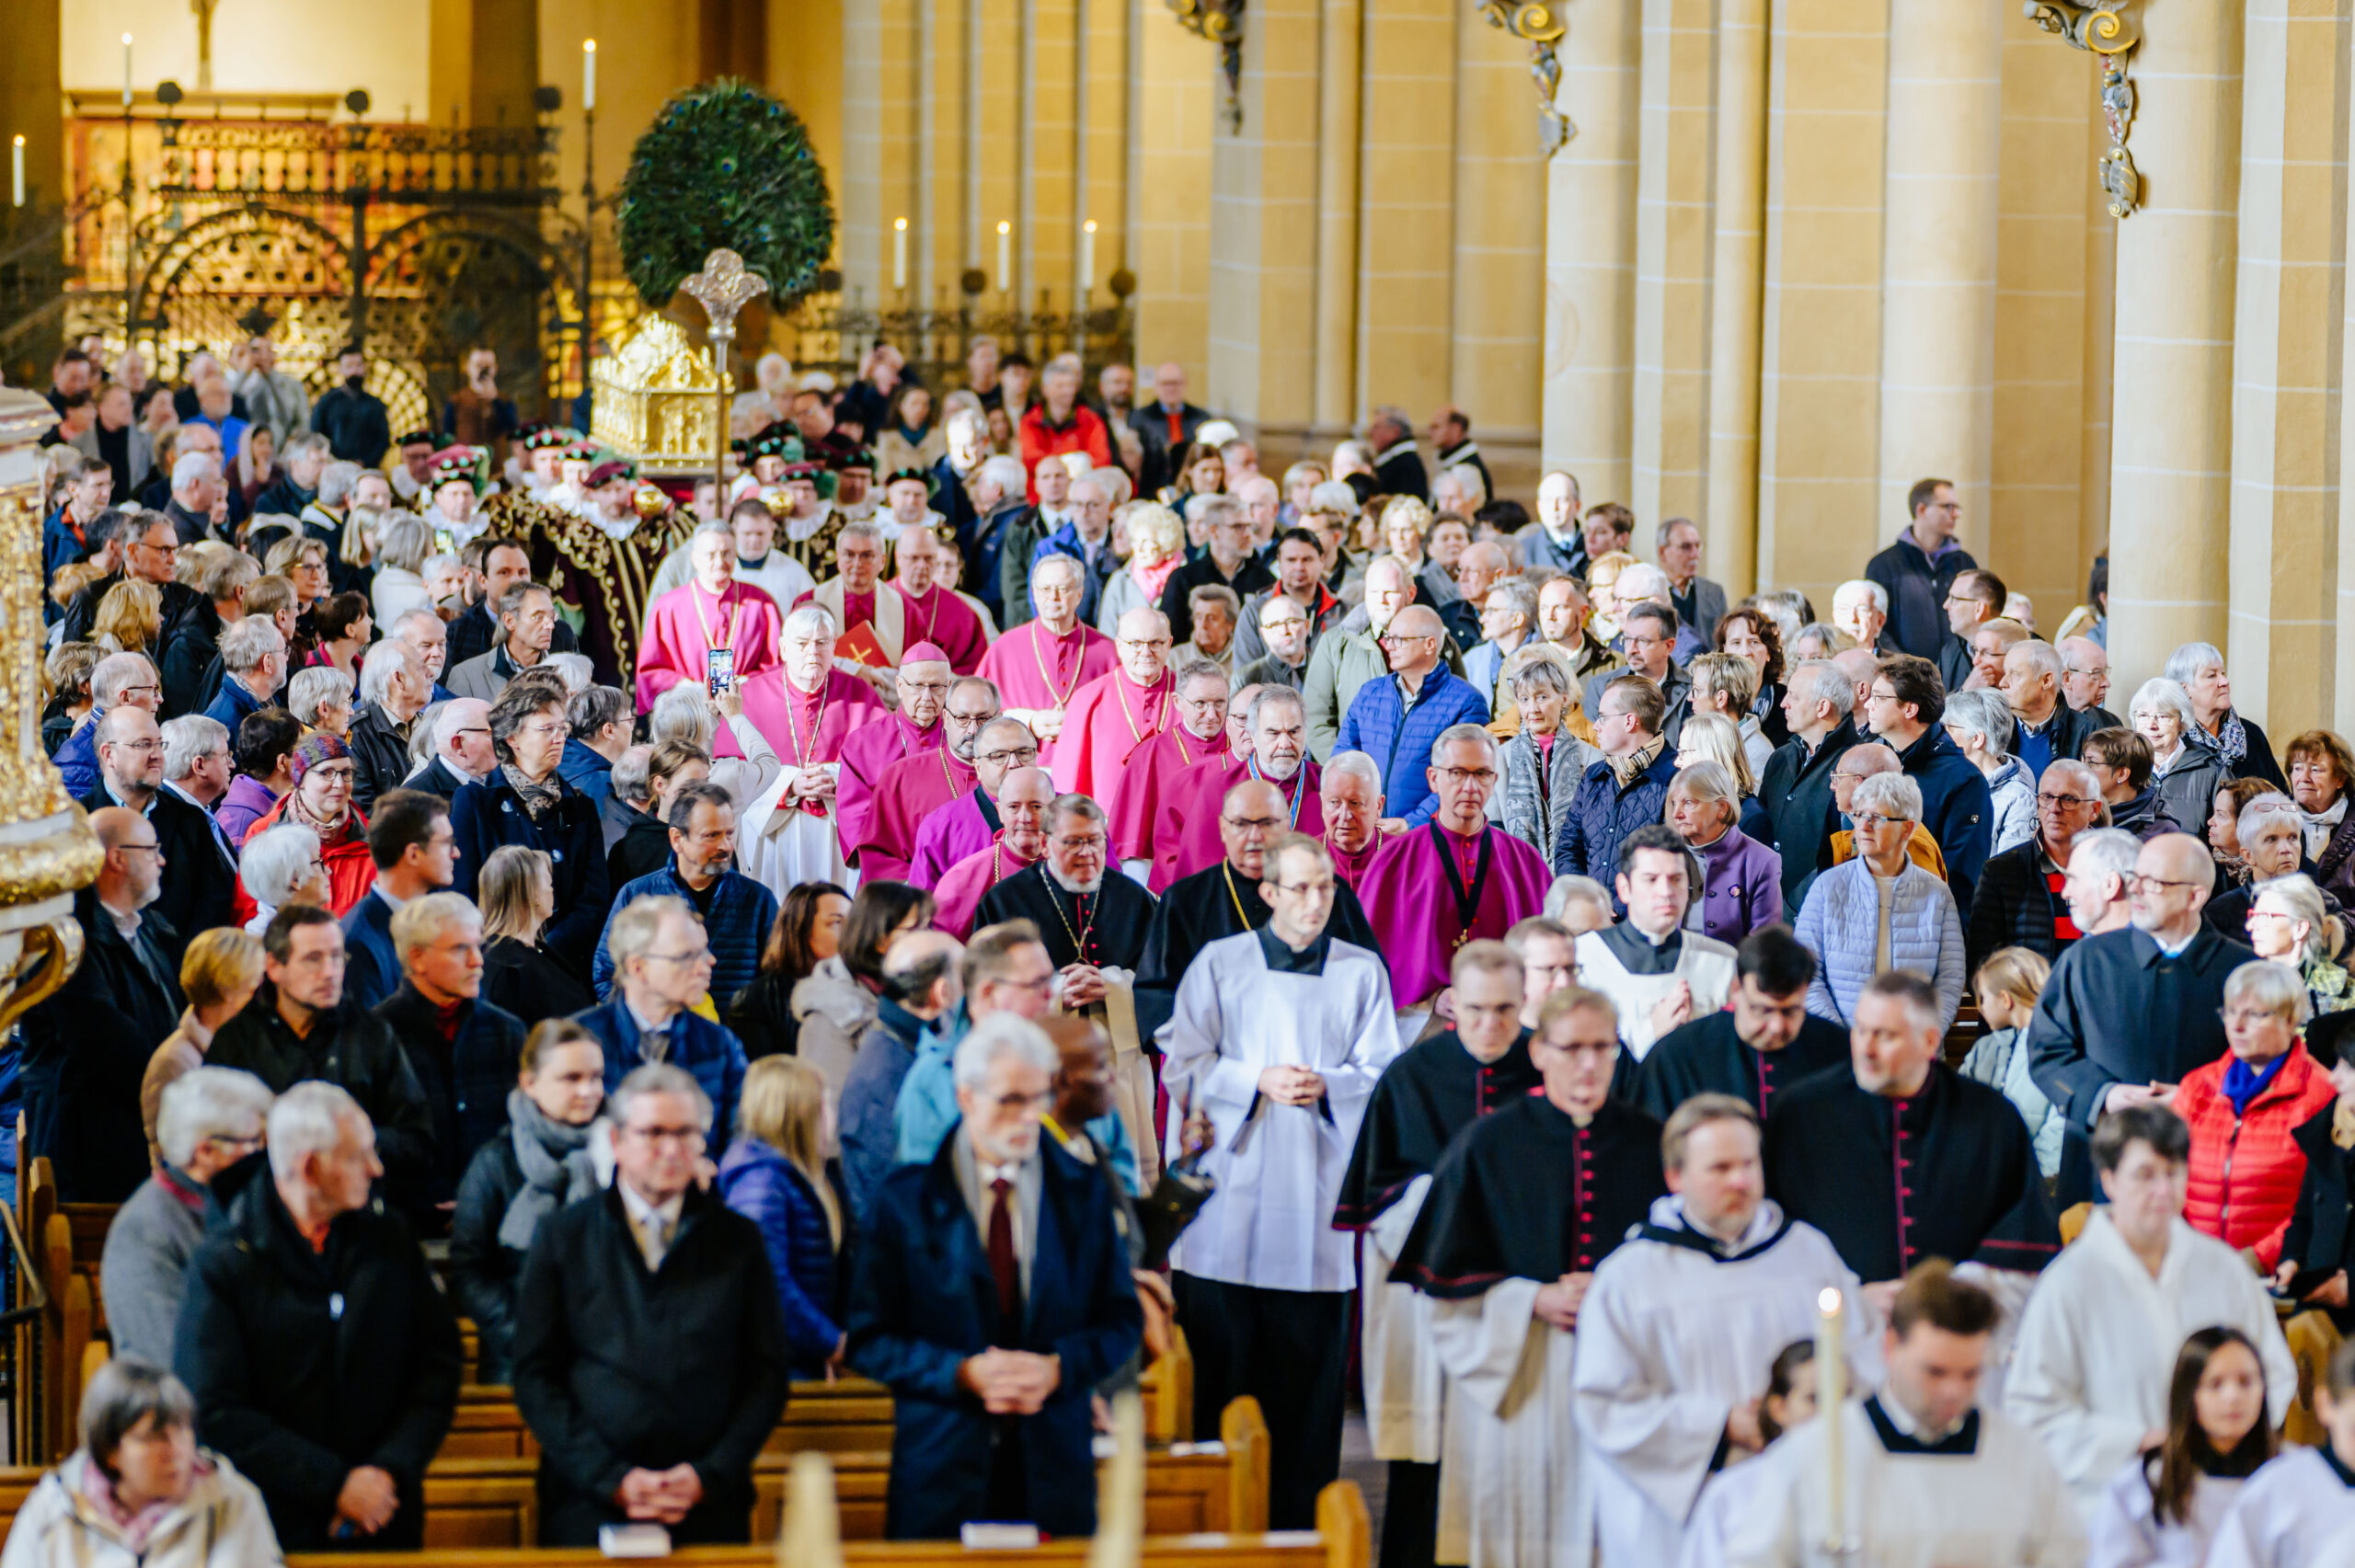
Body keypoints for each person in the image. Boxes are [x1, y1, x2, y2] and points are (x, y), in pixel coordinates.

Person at [1163, 831, 1396, 1528]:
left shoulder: (1361, 971)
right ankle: (1214, 1523)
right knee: (1223, 1381)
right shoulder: (1221, 962)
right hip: (1229, 1197)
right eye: (1300, 886)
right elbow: (1183, 1060)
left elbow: (1382, 1075)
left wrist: (1330, 1086)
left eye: (1326, 885)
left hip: (1316, 1199)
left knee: (1305, 1393)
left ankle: (1300, 1528)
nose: (1317, 899)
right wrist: (1252, 1079)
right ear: (1267, 893)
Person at [1390, 985, 1668, 1568]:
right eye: (1572, 1048)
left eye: (1603, 1047)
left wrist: (1621, 1295)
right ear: (1540, 1052)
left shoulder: (1651, 1143)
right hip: (1522, 1371)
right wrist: (1532, 1299)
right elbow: (1442, 1287)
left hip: (1627, 1371)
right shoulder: (1487, 1145)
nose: (1589, 1064)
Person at [846, 1013, 1142, 1539]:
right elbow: (869, 1340)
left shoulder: (1083, 1191)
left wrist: (1059, 1369)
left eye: (1040, 1097)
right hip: (941, 1463)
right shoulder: (906, 1201)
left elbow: (1120, 1321)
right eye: (1010, 1100)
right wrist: (961, 1373)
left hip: (1052, 1465)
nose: (1030, 1118)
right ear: (966, 1098)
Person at [1575, 1095, 1875, 1566]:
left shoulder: (1808, 1254)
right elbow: (1604, 1404)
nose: (1740, 1181)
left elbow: (1862, 1357)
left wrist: (1815, 1411)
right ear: (1676, 1178)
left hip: (1800, 1493)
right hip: (1679, 1515)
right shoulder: (1630, 1277)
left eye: (1749, 1164)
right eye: (1719, 1168)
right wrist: (1722, 1425)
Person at [173, 1082, 460, 1551]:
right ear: (310, 1166)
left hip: (385, 1516)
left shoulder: (390, 1241)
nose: (377, 1168)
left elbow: (436, 1366)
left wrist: (387, 1471)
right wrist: (334, 1486)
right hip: (272, 1525)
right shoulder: (227, 1261)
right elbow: (214, 1407)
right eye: (358, 1156)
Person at [511, 1063, 789, 1545]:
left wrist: (709, 1473)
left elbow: (765, 1373)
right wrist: (610, 1477)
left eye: (686, 1133)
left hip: (708, 1505)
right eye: (653, 1132)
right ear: (618, 1141)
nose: (670, 1149)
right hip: (589, 1501)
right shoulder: (564, 1236)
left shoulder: (738, 1240)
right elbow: (535, 1373)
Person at [1333, 942, 1542, 1568]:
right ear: (1453, 1005)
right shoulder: (1411, 1076)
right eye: (1475, 1010)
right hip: (1428, 1301)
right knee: (1427, 1459)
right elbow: (1373, 1194)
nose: (1489, 1026)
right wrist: (1452, 1205)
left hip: (1520, 1299)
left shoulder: (1545, 1067)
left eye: (1505, 1010)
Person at [2005, 1102, 2295, 1524]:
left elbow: (2276, 1373)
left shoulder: (2223, 1269)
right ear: (2109, 1180)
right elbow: (2033, 1414)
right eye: (2145, 1175)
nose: (2163, 1191)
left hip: (2217, 1501)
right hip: (2109, 1509)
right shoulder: (2068, 1283)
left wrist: (2226, 1434)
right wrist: (2141, 1442)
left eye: (2174, 1173)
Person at [1723, 1261, 2084, 1567]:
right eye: (1935, 1372)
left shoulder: (2021, 1456)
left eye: (1970, 1373)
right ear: (1891, 1346)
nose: (1953, 1391)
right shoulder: (1813, 1453)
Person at [1766, 969, 2052, 1286]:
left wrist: (1954, 1296)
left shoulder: (1992, 1118)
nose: (1866, 1050)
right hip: (1839, 1319)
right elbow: (1775, 1229)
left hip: (1959, 1319)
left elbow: (2023, 1230)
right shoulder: (1801, 1113)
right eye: (1860, 1030)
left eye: (1885, 1035)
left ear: (1929, 1041)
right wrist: (1849, 1296)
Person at [2028, 832, 2257, 1203]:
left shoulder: (2242, 970)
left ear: (2195, 896)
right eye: (2137, 880)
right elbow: (2047, 1051)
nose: (2136, 892)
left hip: (2204, 1168)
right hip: (2100, 1162)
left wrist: (2195, 1097)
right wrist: (2105, 1094)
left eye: (2154, 884)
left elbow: (2266, 1068)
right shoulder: (2087, 961)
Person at [19, 807, 188, 1201]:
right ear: (117, 858)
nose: (162, 860)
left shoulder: (148, 929)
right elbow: (108, 1045)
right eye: (152, 850)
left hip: (139, 1130)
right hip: (90, 1148)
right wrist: (180, 1085)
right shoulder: (64, 943)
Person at [2, 1356, 281, 1568]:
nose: (176, 1451)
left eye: (183, 1432)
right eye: (155, 1438)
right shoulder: (54, 1507)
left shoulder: (230, 1501)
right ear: (110, 1451)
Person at [448, 1019, 604, 1387]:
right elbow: (470, 1269)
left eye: (596, 1077)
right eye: (571, 1078)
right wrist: (527, 1334)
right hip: (519, 1363)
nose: (588, 1090)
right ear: (530, 1083)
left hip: (609, 1363)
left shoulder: (623, 1153)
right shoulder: (496, 1162)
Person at [101, 1068, 274, 1371]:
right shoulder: (144, 1229)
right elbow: (166, 1358)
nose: (268, 1156)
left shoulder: (246, 1205)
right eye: (255, 1143)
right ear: (206, 1151)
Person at [2168, 958, 2338, 1269]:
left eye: (2254, 1015)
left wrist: (2253, 1261)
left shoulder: (2321, 1095)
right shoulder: (2197, 1086)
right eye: (2230, 1012)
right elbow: (2166, 1173)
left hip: (2273, 1275)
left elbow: (2323, 1204)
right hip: (2188, 1265)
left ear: (2290, 1019)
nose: (2237, 1025)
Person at [373, 890, 523, 1213]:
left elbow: (519, 1132)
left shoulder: (506, 1031)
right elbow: (368, 1138)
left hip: (491, 1217)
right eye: (460, 949)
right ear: (417, 958)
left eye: (478, 946)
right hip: (404, 1220)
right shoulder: (376, 1035)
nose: (477, 961)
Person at [2085, 1327, 2280, 1568]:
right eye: (2215, 1384)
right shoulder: (2147, 1480)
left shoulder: (2289, 1473)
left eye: (2246, 1382)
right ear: (2189, 1394)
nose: (2233, 1396)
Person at [450, 680, 611, 972]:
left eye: (562, 728)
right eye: (546, 729)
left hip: (564, 965)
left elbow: (593, 899)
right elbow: (462, 893)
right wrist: (514, 952)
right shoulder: (475, 803)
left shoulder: (579, 807)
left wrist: (546, 952)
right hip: (495, 966)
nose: (559, 738)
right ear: (513, 738)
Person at [1791, 772, 1966, 1027]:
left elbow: (1949, 980)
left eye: (1876, 818)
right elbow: (1805, 974)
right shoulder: (1827, 887)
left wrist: (1922, 1040)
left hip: (1914, 1050)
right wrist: (1842, 1041)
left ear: (1907, 828)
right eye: (1859, 815)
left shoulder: (1936, 894)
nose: (1862, 826)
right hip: (1840, 1051)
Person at [575, 895, 752, 1140]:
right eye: (689, 956)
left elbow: (744, 1141)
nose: (709, 963)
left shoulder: (721, 1045)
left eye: (705, 952)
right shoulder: (579, 1042)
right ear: (639, 968)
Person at [1636, 924, 1852, 1122]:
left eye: (1790, 1011)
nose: (1776, 1025)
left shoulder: (1837, 1049)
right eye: (1763, 1010)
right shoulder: (1676, 1057)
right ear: (1736, 989)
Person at [718, 1056, 845, 1379]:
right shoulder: (761, 1185)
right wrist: (832, 1342)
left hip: (799, 1361)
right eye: (824, 1105)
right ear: (797, 1113)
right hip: (778, 1371)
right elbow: (770, 1284)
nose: (833, 1116)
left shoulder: (798, 1178)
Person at [1571, 823, 1739, 1059]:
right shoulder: (1583, 958)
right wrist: (1650, 1032)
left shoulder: (1720, 961)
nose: (1666, 891)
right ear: (1624, 888)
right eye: (1651, 879)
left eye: (1676, 879)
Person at [82, 704, 238, 943]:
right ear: (108, 754)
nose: (157, 755)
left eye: (159, 744)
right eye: (144, 744)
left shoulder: (191, 820)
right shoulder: (79, 824)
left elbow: (212, 904)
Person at [1862, 654, 1993, 920]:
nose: (1867, 704)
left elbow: (1957, 876)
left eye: (1878, 697)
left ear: (1909, 709)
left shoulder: (1963, 781)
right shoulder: (1868, 763)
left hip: (1924, 926)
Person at [1965, 757, 2109, 974]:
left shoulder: (2115, 869)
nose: (2054, 808)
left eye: (2069, 799)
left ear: (2094, 810)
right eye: (2047, 797)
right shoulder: (2002, 872)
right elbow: (1983, 961)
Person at [860, 676, 1004, 882]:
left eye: (983, 719)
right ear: (945, 719)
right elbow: (880, 857)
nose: (973, 730)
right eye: (962, 718)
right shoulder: (902, 776)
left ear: (999, 718)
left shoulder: (1017, 776)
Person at [976, 555, 1116, 762]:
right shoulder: (1005, 648)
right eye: (1045, 589)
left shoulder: (1107, 651)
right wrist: (1029, 721)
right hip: (1021, 768)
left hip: (1086, 767)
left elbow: (1118, 718)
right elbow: (978, 716)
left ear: (1079, 594)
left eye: (1062, 589)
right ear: (1034, 594)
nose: (1053, 597)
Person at [1556, 673, 1681, 906]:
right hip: (1589, 915)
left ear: (1630, 721)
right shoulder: (1594, 777)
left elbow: (1672, 862)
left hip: (1643, 919)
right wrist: (1587, 902)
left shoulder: (1675, 779)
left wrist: (1623, 908)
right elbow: (1568, 848)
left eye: (1603, 717)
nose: (1595, 726)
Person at [1105, 660, 1234, 872]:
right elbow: (1133, 850)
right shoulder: (1148, 755)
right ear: (1177, 702)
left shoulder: (1242, 748)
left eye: (1219, 703)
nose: (1212, 715)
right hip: (1172, 880)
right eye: (1200, 704)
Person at [335, 789, 456, 1013]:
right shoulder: (358, 942)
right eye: (447, 843)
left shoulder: (444, 918)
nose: (456, 853)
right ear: (413, 854)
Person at [1757, 658, 1866, 906]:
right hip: (1770, 903)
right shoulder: (1780, 758)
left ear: (1822, 707)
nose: (1784, 703)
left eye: (1793, 696)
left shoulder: (1858, 763)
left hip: (1825, 906)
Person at [1959, 947, 2064, 1180]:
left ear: (2005, 1000)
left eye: (1983, 998)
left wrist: (2035, 1177)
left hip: (2036, 1182)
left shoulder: (2057, 1048)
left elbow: (2058, 1127)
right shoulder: (1986, 1048)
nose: (1980, 1007)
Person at [1050, 606, 1177, 799]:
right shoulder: (1088, 700)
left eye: (1155, 643)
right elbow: (1067, 783)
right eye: (1135, 643)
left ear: (1169, 644)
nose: (1146, 652)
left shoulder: (1188, 696)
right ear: (1119, 645)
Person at [474, 845, 595, 1026]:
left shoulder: (537, 949)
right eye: (549, 883)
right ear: (533, 893)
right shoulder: (505, 968)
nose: (552, 890)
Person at [726, 883, 849, 1060]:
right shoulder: (757, 1000)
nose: (850, 932)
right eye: (836, 922)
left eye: (852, 922)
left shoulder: (862, 991)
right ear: (801, 929)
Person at [1669, 761, 1783, 945]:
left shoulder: (1761, 861)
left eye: (1688, 803)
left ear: (1722, 807)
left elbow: (1763, 946)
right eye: (1674, 803)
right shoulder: (1664, 855)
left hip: (1731, 972)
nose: (1677, 814)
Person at [2166, 642, 2288, 792]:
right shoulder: (2171, 743)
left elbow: (2280, 796)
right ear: (2185, 689)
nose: (2225, 681)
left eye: (2222, 674)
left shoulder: (2251, 734)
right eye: (2212, 676)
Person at [2131, 677, 2230, 838]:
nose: (2151, 725)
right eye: (2143, 715)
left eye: (2163, 716)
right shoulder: (2124, 768)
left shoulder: (2212, 771)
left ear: (2182, 722)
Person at [1943, 686, 2036, 855]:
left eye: (1949, 728)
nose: (1942, 736)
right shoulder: (1948, 778)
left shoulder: (2018, 799)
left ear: (1977, 739)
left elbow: (2007, 869)